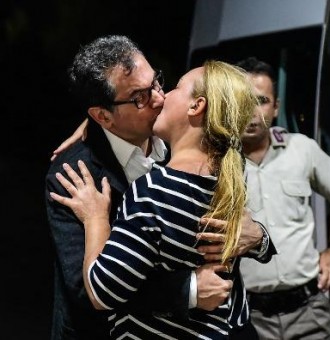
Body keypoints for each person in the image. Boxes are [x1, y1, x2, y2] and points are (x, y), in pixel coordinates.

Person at [45, 36, 273, 339]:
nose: (159, 97)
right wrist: (189, 289)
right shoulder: (75, 173)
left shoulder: (211, 153)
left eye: (158, 82)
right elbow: (86, 291)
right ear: (102, 116)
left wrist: (258, 238)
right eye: (139, 97)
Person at [234, 56, 330, 339]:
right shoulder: (217, 163)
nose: (252, 111)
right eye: (242, 100)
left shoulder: (301, 150)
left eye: (262, 101)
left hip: (308, 311)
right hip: (248, 318)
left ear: (276, 107)